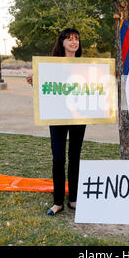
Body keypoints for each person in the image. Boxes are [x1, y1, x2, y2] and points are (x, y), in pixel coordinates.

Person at [26, 28, 86, 216]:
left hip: (79, 116)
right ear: (61, 42)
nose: (73, 42)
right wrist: (34, 80)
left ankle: (74, 199)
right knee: (58, 158)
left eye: (76, 39)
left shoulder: (87, 66)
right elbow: (45, 86)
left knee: (75, 157)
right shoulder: (50, 65)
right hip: (57, 116)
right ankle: (58, 201)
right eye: (69, 39)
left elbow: (96, 85)